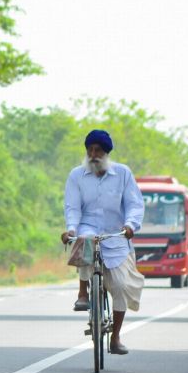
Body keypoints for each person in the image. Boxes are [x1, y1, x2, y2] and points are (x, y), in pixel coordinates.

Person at [61, 129, 144, 355]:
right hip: (88, 227)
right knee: (86, 239)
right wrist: (71, 229)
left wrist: (130, 225)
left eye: (98, 150)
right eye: (90, 150)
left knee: (120, 287)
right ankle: (82, 293)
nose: (93, 154)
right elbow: (72, 207)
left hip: (116, 234)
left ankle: (115, 338)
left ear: (106, 153)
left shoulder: (123, 174)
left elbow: (134, 204)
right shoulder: (76, 175)